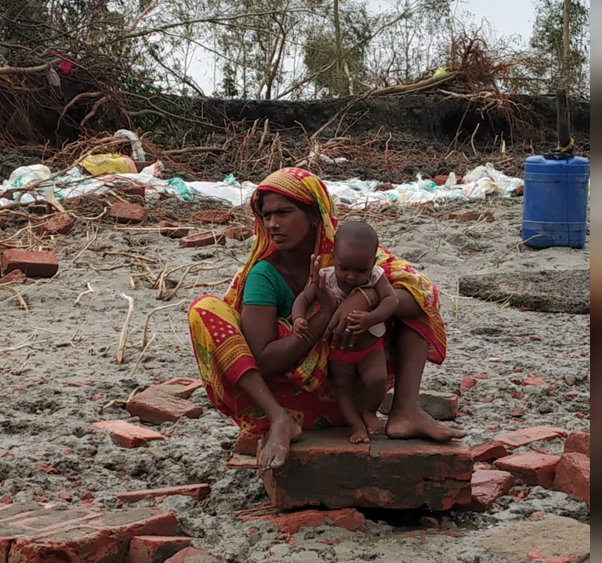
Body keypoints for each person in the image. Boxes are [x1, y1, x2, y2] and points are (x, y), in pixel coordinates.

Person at [188, 167, 464, 471]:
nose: (273, 224)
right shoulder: (264, 274)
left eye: (283, 213)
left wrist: (365, 297)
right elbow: (264, 361)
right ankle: (279, 421)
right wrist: (325, 315)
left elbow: (423, 293)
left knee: (414, 293)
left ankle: (406, 411)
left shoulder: (347, 255)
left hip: (357, 392)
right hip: (292, 402)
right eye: (266, 215)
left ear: (314, 215)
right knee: (204, 309)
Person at [291, 221, 398, 443]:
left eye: (361, 270)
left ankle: (369, 411)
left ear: (373, 263)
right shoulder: (327, 278)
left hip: (370, 347)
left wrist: (371, 318)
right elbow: (303, 298)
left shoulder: (376, 276)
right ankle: (356, 426)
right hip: (338, 350)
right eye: (344, 268)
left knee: (377, 379)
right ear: (333, 257)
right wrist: (299, 317)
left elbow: (391, 299)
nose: (351, 276)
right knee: (343, 389)